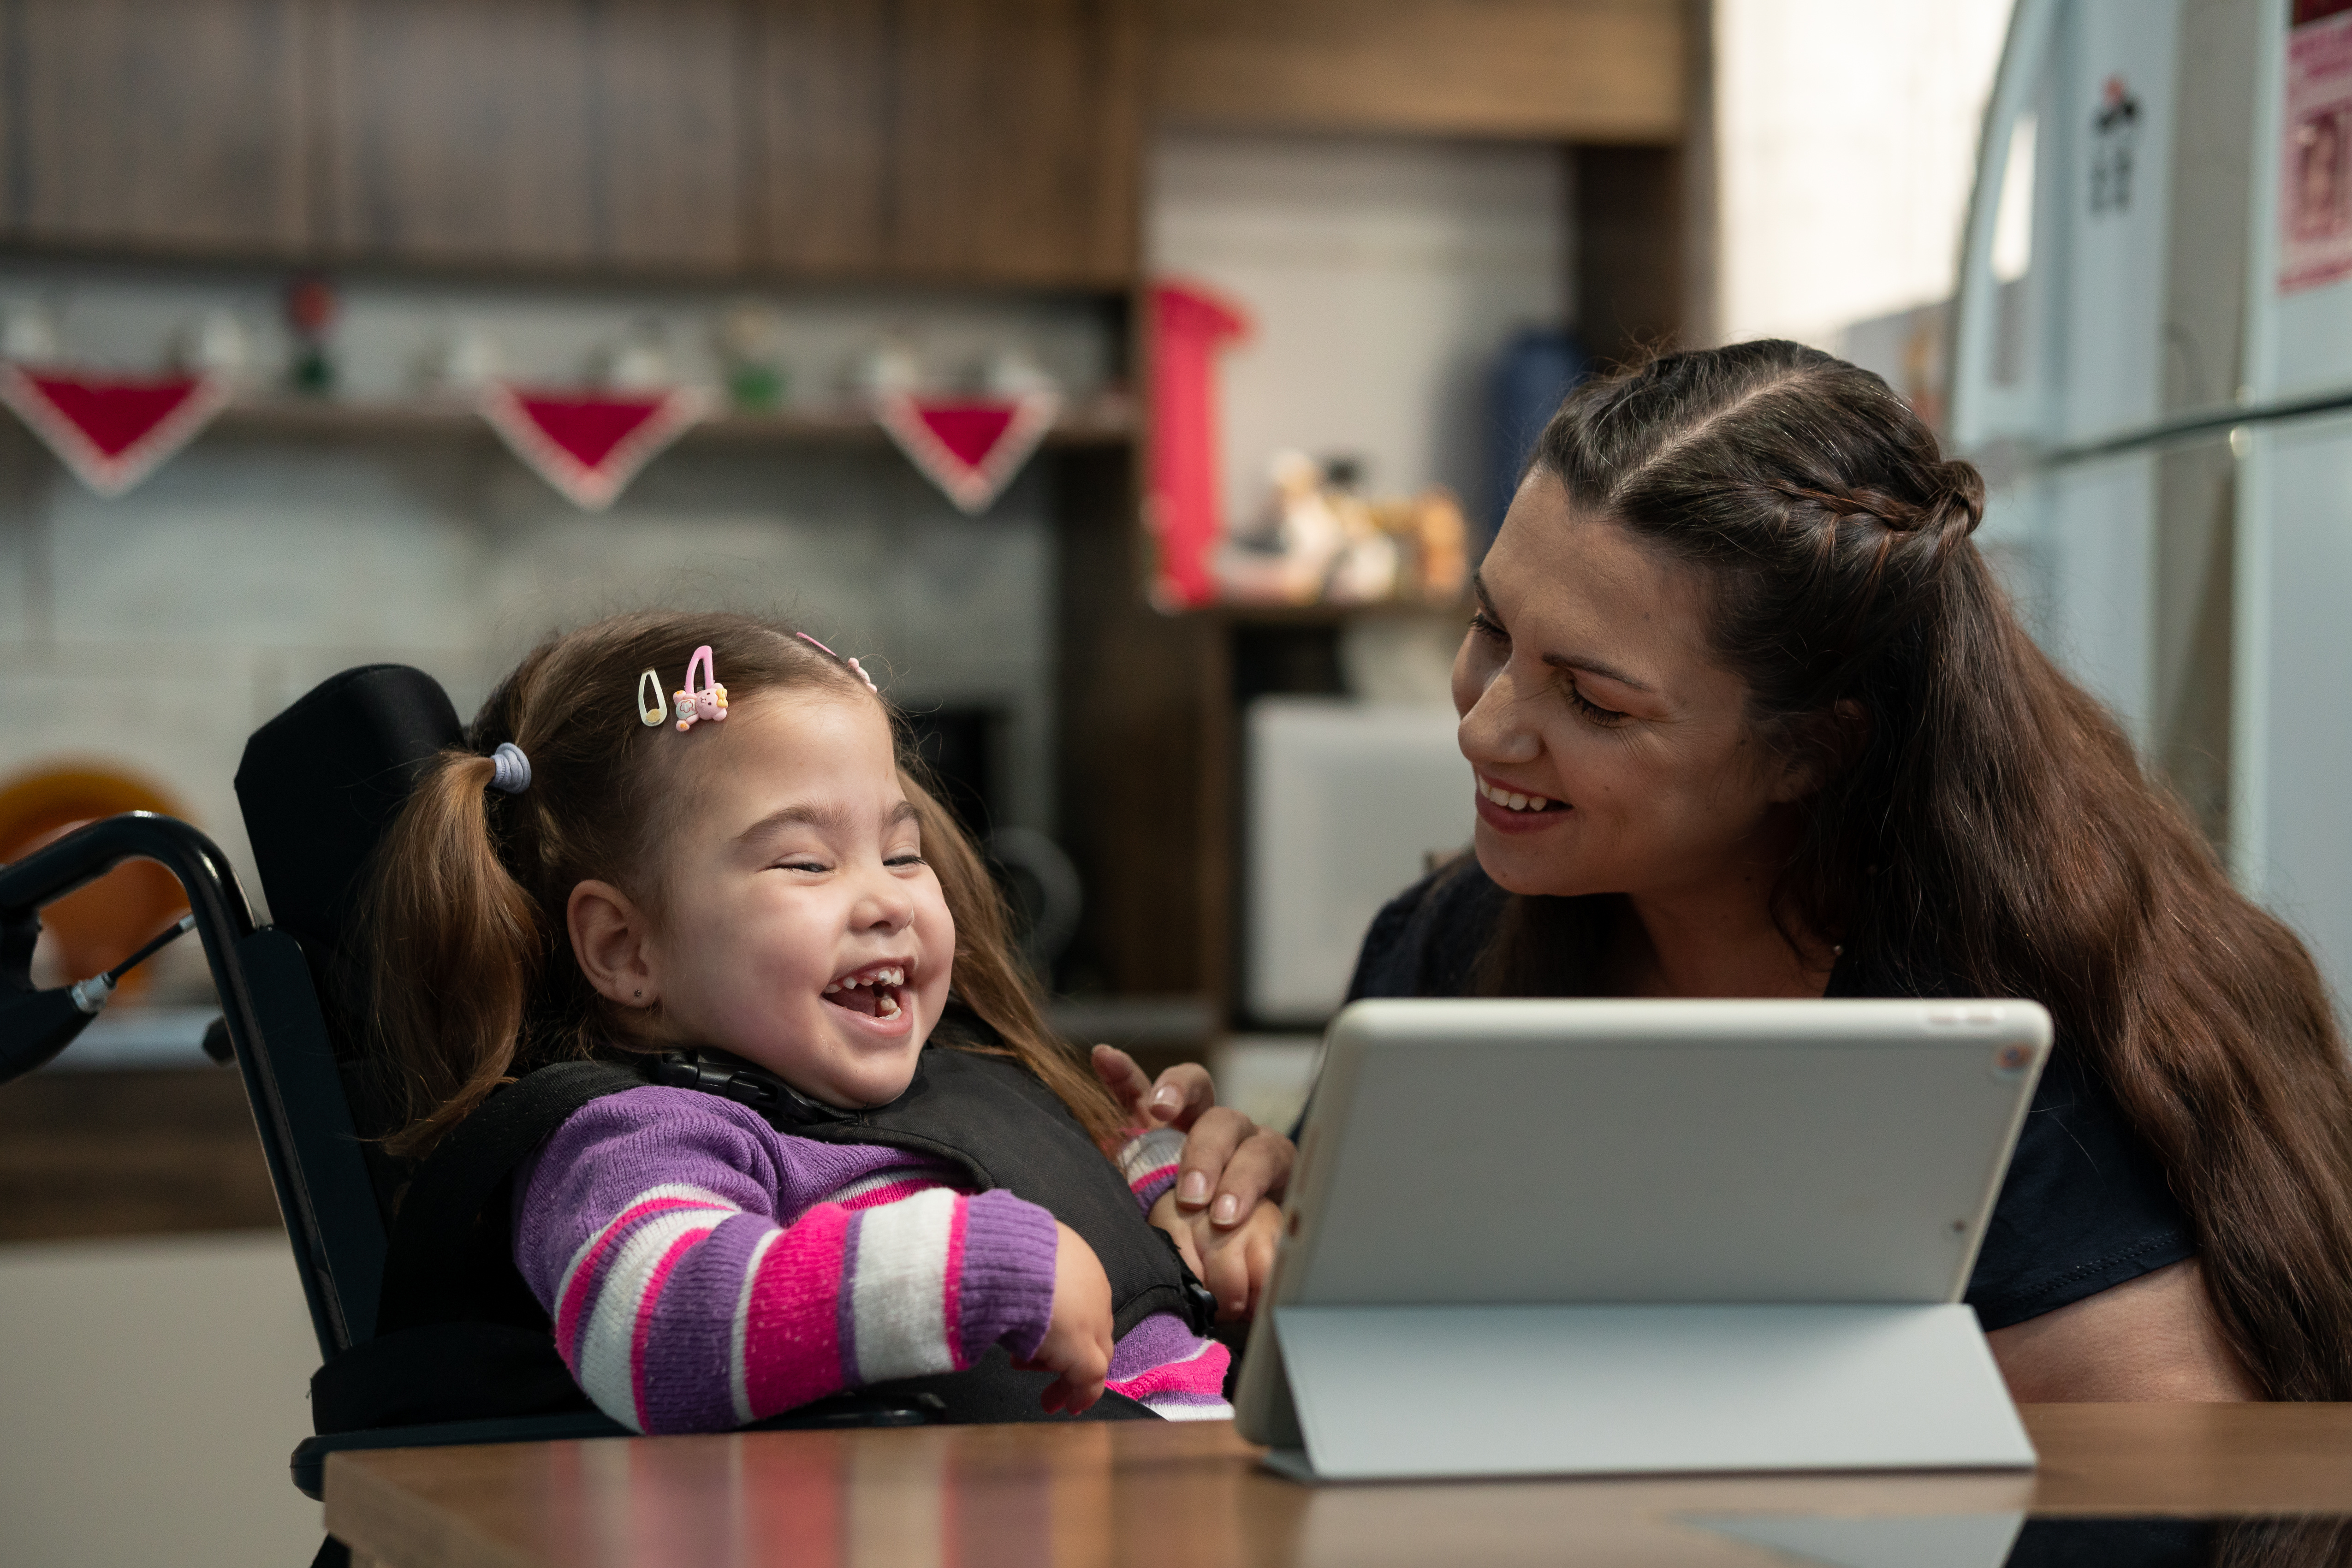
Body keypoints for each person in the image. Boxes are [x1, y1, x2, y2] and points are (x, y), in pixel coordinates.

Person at [1107, 341, 2352, 1402]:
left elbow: (2149, 1500)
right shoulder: (1454, 943)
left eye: (1592, 699)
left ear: (1812, 749)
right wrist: (1241, 1232)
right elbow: (1337, 1392)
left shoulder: (2036, 1030)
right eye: (1489, 628)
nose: (1483, 727)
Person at [361, 611, 1258, 1433]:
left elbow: (1113, 1190)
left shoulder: (974, 1073)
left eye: (902, 852)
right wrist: (974, 1266)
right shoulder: (635, 1141)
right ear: (626, 948)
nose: (886, 899)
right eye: (805, 862)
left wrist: (1201, 1203)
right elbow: (662, 1323)